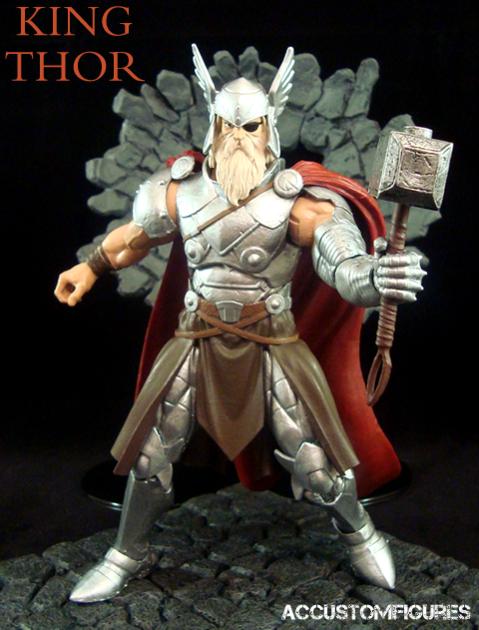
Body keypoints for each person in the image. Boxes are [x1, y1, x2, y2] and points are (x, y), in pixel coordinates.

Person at [55, 45, 425, 603]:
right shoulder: (179, 191)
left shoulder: (303, 203)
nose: (237, 137)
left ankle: (360, 534)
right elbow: (134, 238)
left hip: (272, 340)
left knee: (315, 462)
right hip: (195, 337)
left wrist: (377, 277)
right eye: (227, 126)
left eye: (249, 126)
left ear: (270, 125)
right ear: (212, 124)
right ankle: (128, 553)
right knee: (151, 456)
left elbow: (342, 268)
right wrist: (91, 265)